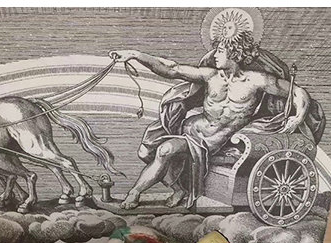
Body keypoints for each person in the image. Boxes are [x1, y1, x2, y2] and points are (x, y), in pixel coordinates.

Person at [110, 32, 312, 209]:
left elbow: (297, 92)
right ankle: (178, 189)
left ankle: (134, 193)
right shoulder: (210, 75)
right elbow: (171, 69)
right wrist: (135, 55)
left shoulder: (257, 80)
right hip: (188, 128)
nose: (214, 55)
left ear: (235, 53)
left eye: (220, 51)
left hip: (211, 140)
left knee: (165, 150)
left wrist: (298, 117)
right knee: (145, 152)